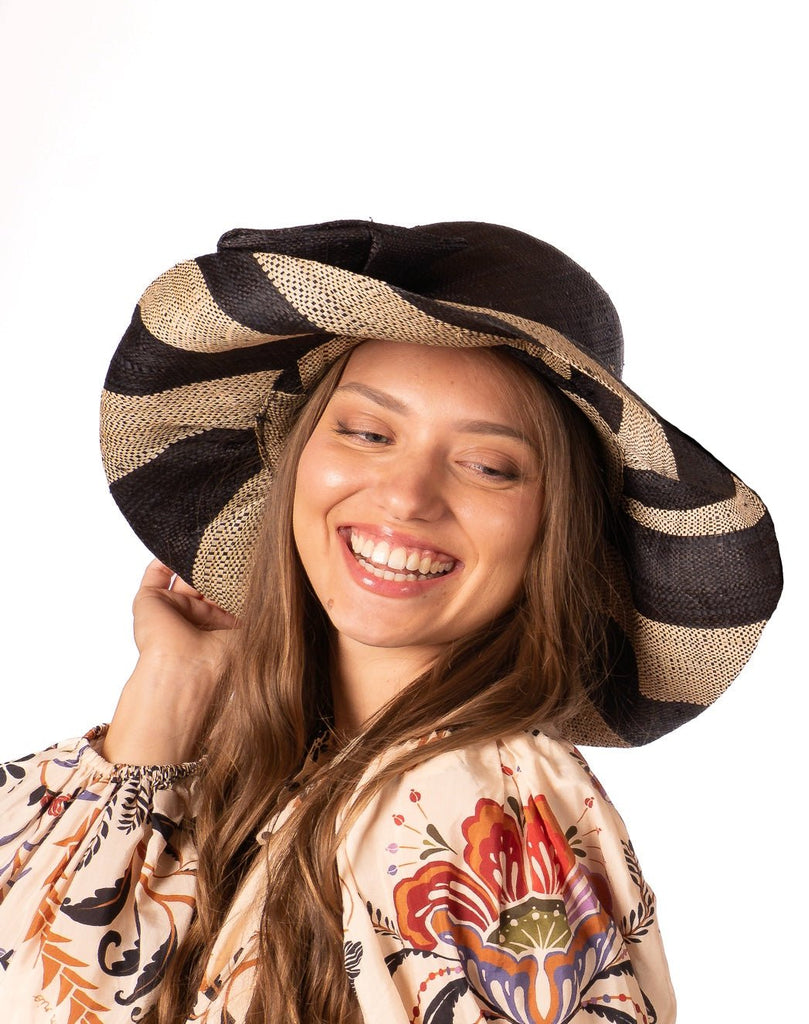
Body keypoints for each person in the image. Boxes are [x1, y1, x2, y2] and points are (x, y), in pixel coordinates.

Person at [0, 220, 782, 1023]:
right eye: (368, 433)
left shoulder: (473, 804)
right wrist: (166, 692)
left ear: (554, 529)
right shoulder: (263, 772)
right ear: (298, 457)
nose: (407, 495)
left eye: (486, 466)